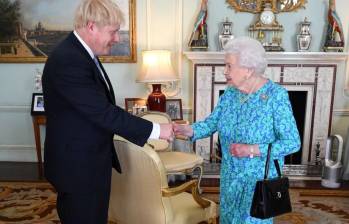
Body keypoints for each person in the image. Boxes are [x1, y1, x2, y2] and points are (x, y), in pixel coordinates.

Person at [41, 0, 173, 223]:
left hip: (85, 161)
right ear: (91, 26)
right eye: (113, 32)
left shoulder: (82, 54)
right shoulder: (69, 60)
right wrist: (157, 130)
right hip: (77, 167)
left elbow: (102, 108)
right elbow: (103, 112)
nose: (117, 38)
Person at [174, 37, 300, 223]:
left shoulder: (275, 96)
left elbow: (292, 142)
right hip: (230, 177)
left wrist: (251, 149)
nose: (224, 72)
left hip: (257, 182)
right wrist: (188, 130)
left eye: (229, 66)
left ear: (249, 69)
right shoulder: (230, 93)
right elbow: (212, 123)